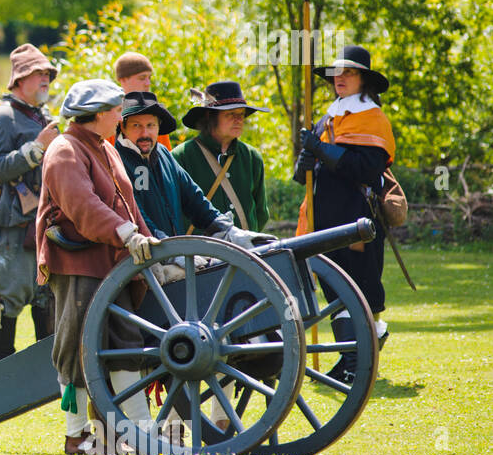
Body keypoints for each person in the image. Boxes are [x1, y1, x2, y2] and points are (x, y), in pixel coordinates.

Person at [116, 91, 274, 434]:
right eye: (137, 126)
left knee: (221, 316)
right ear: (122, 129)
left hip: (173, 261)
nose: (145, 133)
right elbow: (133, 214)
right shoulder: (116, 159)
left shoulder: (166, 158)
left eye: (151, 125)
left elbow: (198, 204)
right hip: (142, 266)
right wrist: (169, 245)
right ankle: (170, 425)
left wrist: (230, 233)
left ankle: (207, 419)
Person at [35, 80, 155, 455]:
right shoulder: (64, 150)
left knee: (125, 344)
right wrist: (124, 233)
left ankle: (139, 431)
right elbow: (82, 206)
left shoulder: (108, 149)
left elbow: (129, 208)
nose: (122, 117)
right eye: (117, 110)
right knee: (75, 349)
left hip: (113, 262)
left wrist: (152, 248)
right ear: (100, 113)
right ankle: (76, 435)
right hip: (78, 263)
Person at [294, 44, 395, 384]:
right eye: (337, 73)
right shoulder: (329, 116)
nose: (340, 79)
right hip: (325, 216)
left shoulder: (373, 118)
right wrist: (305, 163)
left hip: (357, 220)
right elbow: (310, 175)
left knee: (358, 288)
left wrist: (321, 149)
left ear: (363, 80)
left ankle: (360, 354)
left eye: (348, 73)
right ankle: (349, 356)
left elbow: (366, 170)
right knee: (334, 290)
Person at [0, 44, 58, 359]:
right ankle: (2, 373)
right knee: (7, 300)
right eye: (38, 74)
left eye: (47, 75)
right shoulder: (2, 118)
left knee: (45, 297)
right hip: (14, 225)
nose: (45, 80)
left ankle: (45, 374)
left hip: (44, 223)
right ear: (20, 79)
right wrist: (36, 148)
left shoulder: (42, 116)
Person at [174, 81, 270, 231]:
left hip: (244, 251)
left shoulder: (251, 157)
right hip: (198, 252)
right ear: (210, 116)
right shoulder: (182, 157)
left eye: (241, 114)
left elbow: (261, 213)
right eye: (230, 114)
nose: (238, 120)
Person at [113, 53, 172, 150]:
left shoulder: (155, 112)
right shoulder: (112, 115)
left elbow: (165, 157)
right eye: (142, 78)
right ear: (123, 79)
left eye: (149, 78)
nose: (148, 83)